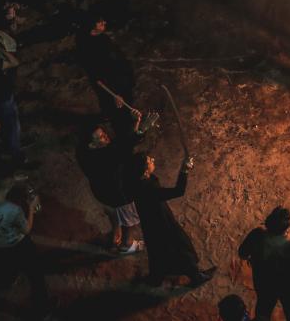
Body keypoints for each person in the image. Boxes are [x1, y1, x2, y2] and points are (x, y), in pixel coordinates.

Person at [0, 172, 53, 318]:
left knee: (7, 266)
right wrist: (31, 207)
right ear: (6, 189)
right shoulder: (12, 210)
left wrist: (14, 180)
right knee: (36, 275)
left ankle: (6, 281)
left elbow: (0, 184)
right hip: (18, 245)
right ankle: (43, 309)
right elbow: (26, 229)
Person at [128, 152, 214, 287]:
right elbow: (178, 191)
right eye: (149, 161)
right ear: (144, 171)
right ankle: (196, 276)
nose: (153, 159)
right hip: (162, 222)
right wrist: (184, 170)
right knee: (181, 247)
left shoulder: (135, 181)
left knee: (157, 250)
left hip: (150, 223)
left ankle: (155, 279)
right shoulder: (148, 189)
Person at [237, 206, 290, 321]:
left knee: (263, 313)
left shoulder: (257, 235)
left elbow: (242, 253)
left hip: (264, 283)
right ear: (287, 226)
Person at [76, 123, 143, 253]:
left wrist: (135, 125)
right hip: (119, 196)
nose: (106, 136)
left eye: (104, 133)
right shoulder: (107, 155)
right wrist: (139, 131)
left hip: (102, 194)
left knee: (113, 215)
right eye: (101, 137)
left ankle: (115, 236)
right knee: (129, 222)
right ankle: (127, 245)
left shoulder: (84, 153)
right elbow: (124, 150)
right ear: (92, 145)